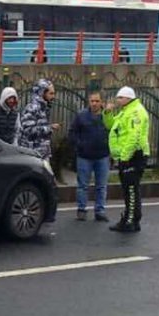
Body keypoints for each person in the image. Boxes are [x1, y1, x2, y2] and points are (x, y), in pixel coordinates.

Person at [105, 86, 151, 233]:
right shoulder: (126, 111)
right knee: (128, 189)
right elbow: (112, 126)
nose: (117, 100)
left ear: (127, 98)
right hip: (127, 156)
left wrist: (125, 157)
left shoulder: (136, 112)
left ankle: (130, 221)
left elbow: (134, 136)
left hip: (133, 156)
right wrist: (107, 112)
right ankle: (130, 219)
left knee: (131, 190)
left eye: (120, 98)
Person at [68, 91, 111, 222]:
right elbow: (72, 133)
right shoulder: (81, 116)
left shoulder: (107, 116)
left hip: (103, 156)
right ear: (89, 101)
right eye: (92, 101)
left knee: (101, 186)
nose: (94, 104)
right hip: (84, 156)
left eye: (97, 101)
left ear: (102, 102)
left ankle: (100, 211)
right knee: (83, 185)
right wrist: (79, 145)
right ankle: (81, 210)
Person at [17, 79, 61, 173]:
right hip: (33, 155)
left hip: (42, 153)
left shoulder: (44, 108)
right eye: (51, 93)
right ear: (42, 93)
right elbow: (28, 130)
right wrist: (49, 128)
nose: (53, 96)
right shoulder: (32, 108)